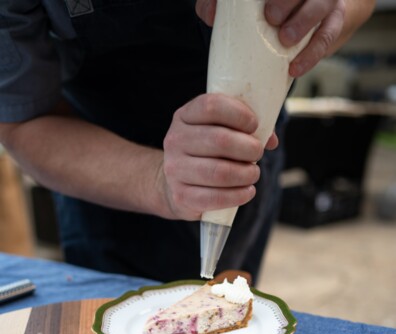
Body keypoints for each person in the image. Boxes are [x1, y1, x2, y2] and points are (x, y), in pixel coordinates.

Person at [0, 0, 375, 283]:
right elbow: (21, 121)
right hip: (96, 164)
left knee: (226, 325)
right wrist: (159, 180)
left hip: (246, 152)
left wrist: (333, 13)